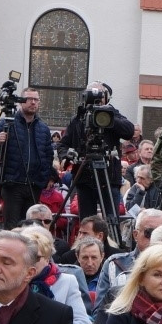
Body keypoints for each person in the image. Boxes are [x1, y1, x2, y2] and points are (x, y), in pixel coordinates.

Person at [60, 82, 135, 221]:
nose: (96, 98)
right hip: (84, 177)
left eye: (100, 94)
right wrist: (66, 156)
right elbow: (63, 144)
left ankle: (111, 243)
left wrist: (107, 115)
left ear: (107, 97)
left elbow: (129, 131)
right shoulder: (78, 119)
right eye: (91, 94)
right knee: (87, 221)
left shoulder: (112, 115)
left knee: (111, 220)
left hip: (109, 177)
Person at [0, 87, 55, 230]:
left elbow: (48, 155)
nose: (33, 103)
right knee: (12, 227)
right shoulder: (7, 122)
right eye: (29, 99)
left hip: (34, 184)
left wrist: (43, 179)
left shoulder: (43, 128)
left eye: (36, 100)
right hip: (13, 184)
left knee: (31, 227)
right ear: (21, 102)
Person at [17, 226, 92, 324]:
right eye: (25, 256)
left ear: (47, 259)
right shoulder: (12, 282)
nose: (29, 261)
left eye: (36, 257)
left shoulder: (67, 281)